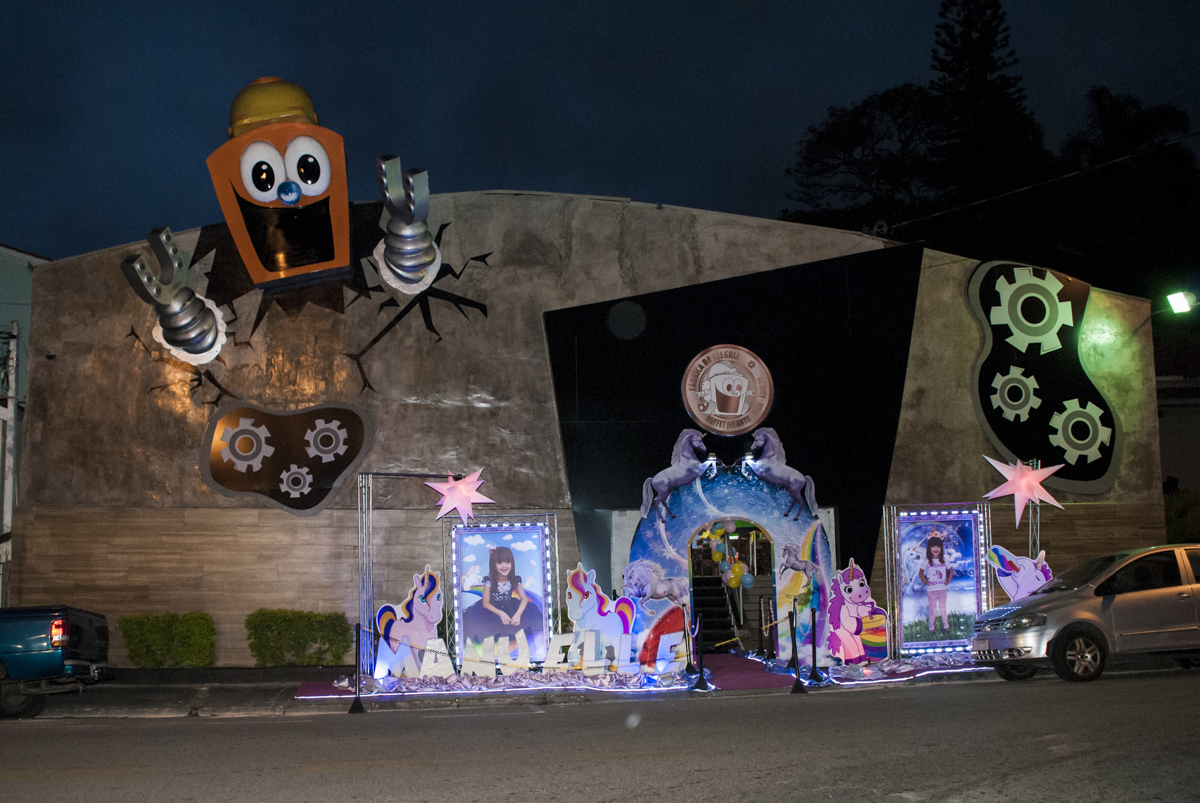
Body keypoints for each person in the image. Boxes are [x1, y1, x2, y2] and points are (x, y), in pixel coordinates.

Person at [461, 547, 544, 648]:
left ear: (512, 564)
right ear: (493, 565)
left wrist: (518, 614)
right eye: (500, 563)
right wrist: (501, 614)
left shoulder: (515, 579)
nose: (504, 566)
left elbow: (524, 599)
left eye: (507, 562)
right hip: (493, 609)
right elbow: (485, 603)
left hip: (510, 606)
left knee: (529, 614)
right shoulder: (489, 580)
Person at [919, 534, 953, 635]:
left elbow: (951, 571)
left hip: (942, 589)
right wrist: (925, 582)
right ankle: (931, 628)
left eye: (938, 546)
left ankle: (946, 627)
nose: (936, 549)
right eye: (933, 546)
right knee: (932, 610)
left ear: (941, 548)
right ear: (929, 548)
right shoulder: (927, 561)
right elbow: (920, 573)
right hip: (931, 590)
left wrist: (948, 581)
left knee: (943, 609)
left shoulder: (944, 561)